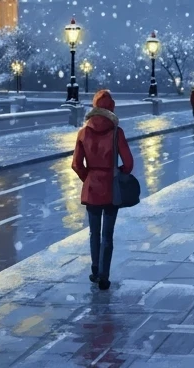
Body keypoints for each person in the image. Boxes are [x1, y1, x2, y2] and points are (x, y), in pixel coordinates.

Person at [70, 89, 135, 291]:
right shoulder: (117, 132)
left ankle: (95, 269)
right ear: (112, 108)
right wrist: (117, 173)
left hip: (91, 188)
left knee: (93, 233)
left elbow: (76, 164)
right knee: (107, 234)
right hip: (110, 187)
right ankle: (104, 276)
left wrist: (88, 177)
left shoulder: (83, 132)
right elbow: (129, 163)